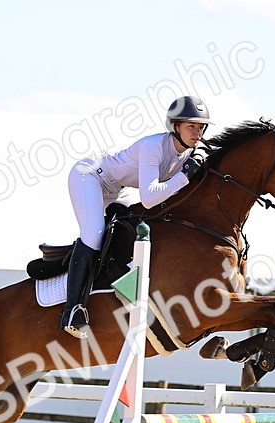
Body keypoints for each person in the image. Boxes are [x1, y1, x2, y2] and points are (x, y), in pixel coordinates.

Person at [60, 95, 211, 338]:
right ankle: (72, 311)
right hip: (90, 176)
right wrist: (184, 177)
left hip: (117, 189)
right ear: (175, 126)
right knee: (94, 233)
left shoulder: (187, 154)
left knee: (134, 226)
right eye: (191, 126)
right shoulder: (154, 146)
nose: (197, 133)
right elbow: (149, 197)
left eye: (201, 127)